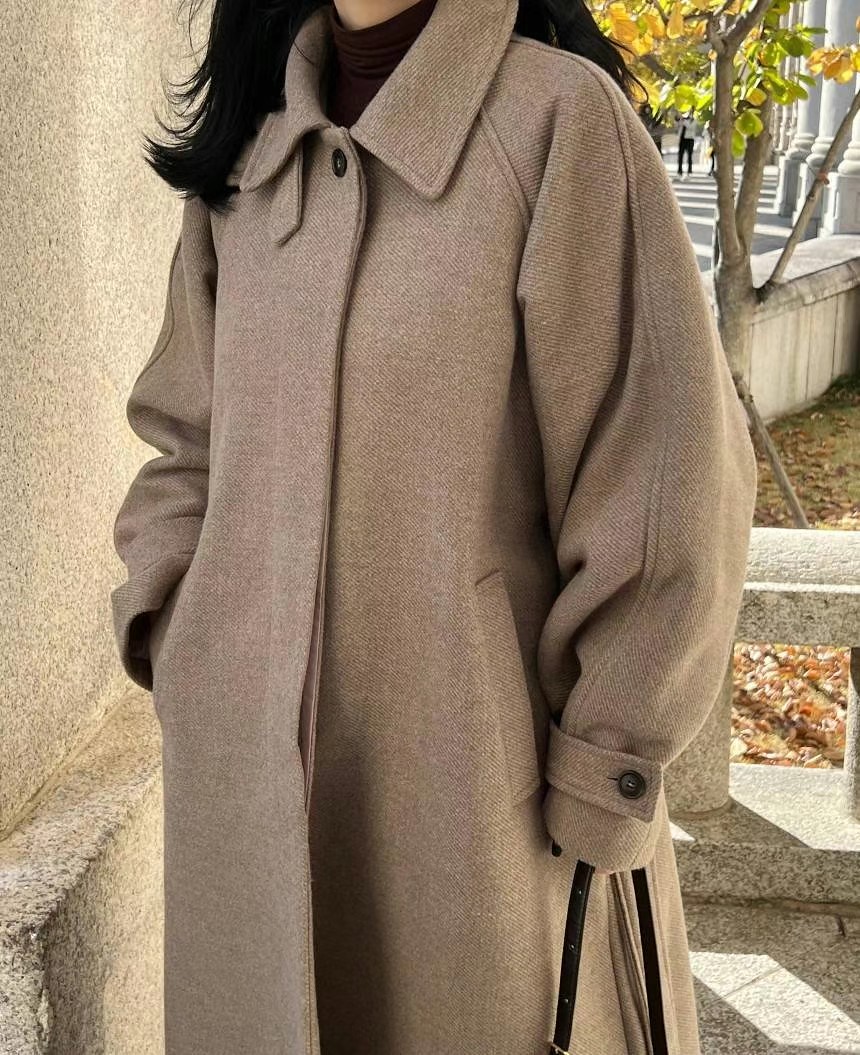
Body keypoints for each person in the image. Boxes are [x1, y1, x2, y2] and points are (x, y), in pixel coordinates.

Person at [109, 1, 758, 1053]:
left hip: (483, 818)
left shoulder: (557, 124)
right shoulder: (250, 153)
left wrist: (607, 761)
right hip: (243, 800)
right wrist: (175, 623)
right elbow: (185, 437)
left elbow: (663, 484)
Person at [676, 110, 696, 179]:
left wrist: (684, 121)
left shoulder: (693, 120)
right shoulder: (683, 120)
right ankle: (679, 171)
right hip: (682, 139)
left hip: (690, 139)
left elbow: (690, 127)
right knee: (680, 156)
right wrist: (679, 121)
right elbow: (677, 126)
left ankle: (689, 171)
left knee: (689, 156)